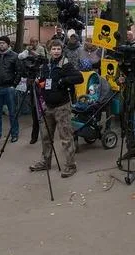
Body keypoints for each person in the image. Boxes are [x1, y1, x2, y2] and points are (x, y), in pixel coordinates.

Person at [29, 40, 83, 177]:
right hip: (47, 106)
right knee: (46, 137)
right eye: (53, 49)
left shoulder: (65, 64)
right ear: (49, 50)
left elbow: (79, 77)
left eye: (58, 49)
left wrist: (63, 81)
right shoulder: (45, 66)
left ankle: (71, 165)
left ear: (61, 50)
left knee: (65, 137)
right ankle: (45, 162)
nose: (56, 51)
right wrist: (38, 83)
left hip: (62, 107)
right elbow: (43, 81)